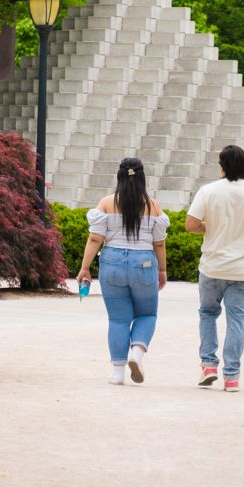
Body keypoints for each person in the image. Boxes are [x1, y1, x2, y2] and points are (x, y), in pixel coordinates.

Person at [186, 144, 244, 392]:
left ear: (222, 166)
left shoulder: (208, 191)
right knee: (237, 321)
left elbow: (191, 224)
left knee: (208, 314)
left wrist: (212, 228)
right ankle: (232, 377)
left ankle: (208, 364)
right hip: (243, 269)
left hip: (212, 266)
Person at [76, 156, 169, 385]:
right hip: (144, 263)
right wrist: (163, 270)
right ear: (142, 178)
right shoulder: (153, 206)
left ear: (119, 176)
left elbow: (95, 237)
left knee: (118, 320)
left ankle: (117, 372)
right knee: (147, 314)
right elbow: (159, 243)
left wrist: (85, 268)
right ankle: (136, 352)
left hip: (112, 261)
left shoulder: (106, 203)